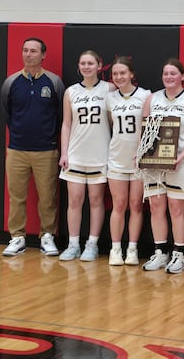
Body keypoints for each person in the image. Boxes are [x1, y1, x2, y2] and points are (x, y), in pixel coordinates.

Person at [0, 37, 65, 257]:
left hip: (46, 150)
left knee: (47, 197)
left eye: (34, 51)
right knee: (16, 196)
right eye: (25, 50)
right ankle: (17, 238)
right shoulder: (11, 82)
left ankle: (47, 236)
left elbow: (60, 116)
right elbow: (7, 113)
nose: (29, 54)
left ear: (43, 55)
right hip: (17, 149)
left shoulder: (54, 82)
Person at [140, 58, 184, 274]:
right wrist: (141, 154)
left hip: (180, 162)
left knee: (176, 208)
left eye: (173, 73)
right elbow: (145, 131)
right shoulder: (152, 99)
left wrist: (181, 156)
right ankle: (160, 252)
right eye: (165, 73)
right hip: (155, 163)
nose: (168, 77)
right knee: (156, 206)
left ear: (182, 76)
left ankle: (179, 254)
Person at [58, 50, 115, 262]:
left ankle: (92, 244)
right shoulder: (71, 92)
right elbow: (66, 124)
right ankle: (73, 244)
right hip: (75, 153)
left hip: (100, 153)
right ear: (78, 66)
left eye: (91, 63)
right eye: (83, 63)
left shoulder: (109, 89)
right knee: (74, 200)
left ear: (99, 65)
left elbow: (113, 121)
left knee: (96, 199)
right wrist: (65, 152)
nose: (87, 67)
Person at [105, 56, 151, 266]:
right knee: (119, 204)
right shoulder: (110, 98)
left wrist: (142, 152)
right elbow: (110, 126)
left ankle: (132, 249)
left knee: (135, 205)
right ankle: (116, 249)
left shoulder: (145, 96)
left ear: (131, 74)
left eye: (123, 73)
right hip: (116, 158)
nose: (119, 77)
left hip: (139, 160)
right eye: (115, 74)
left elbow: (149, 128)